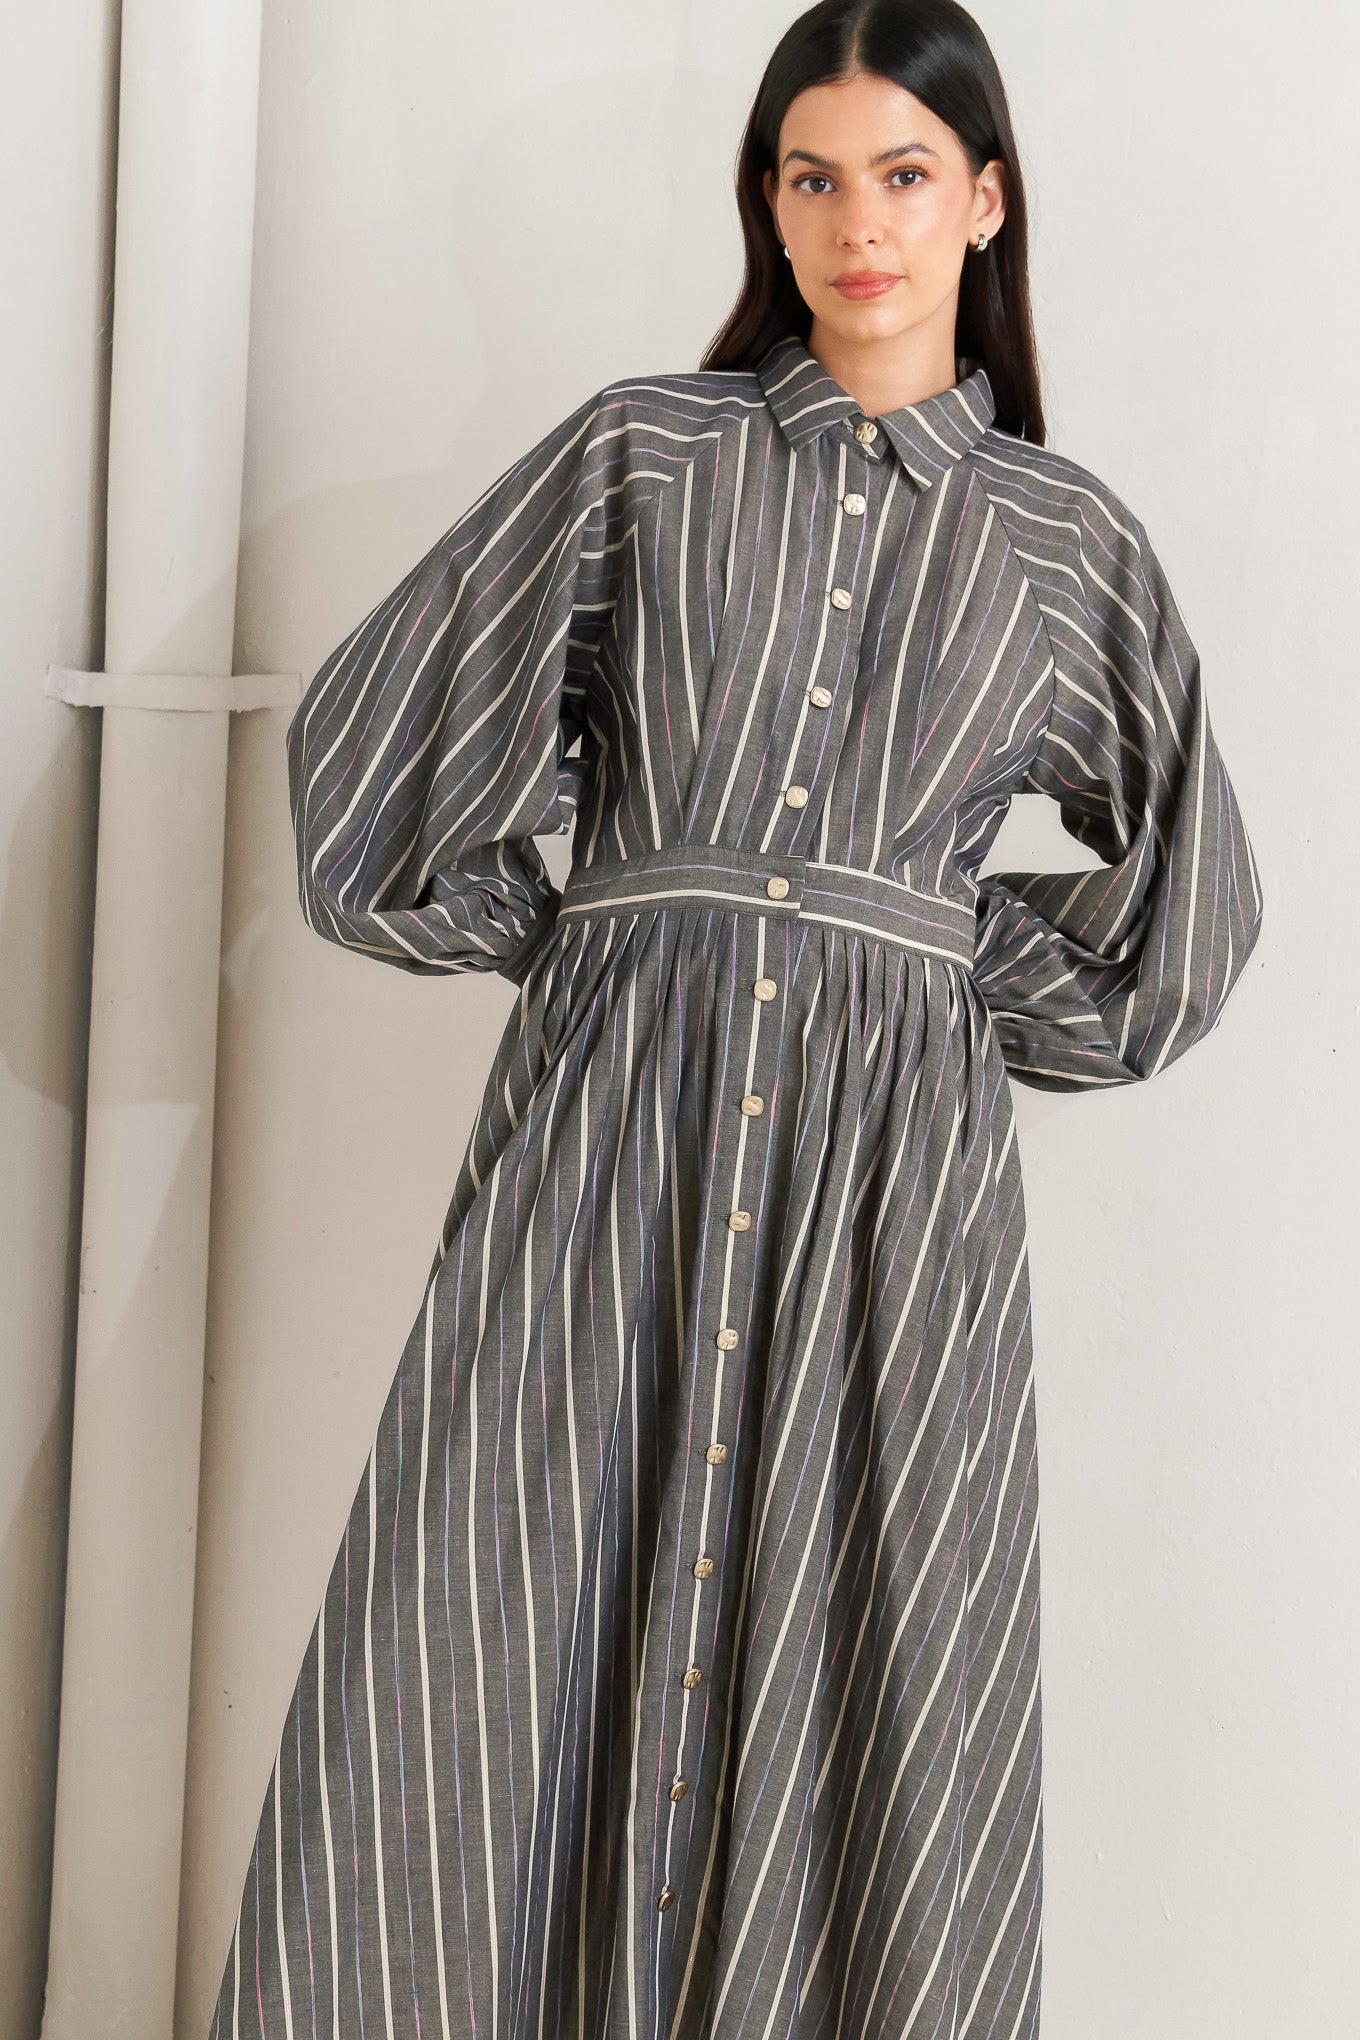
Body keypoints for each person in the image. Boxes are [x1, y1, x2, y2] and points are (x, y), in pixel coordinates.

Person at [208, 2, 1263, 2034]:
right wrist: (592, 924)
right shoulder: (641, 454)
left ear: (981, 198)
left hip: (890, 1212)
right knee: (476, 1637)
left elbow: (1183, 928)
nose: (853, 226)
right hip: (607, 1156)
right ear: (763, 208)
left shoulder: (1064, 547)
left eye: (895, 175)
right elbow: (360, 789)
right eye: (807, 177)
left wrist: (929, 972)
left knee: (867, 1674)